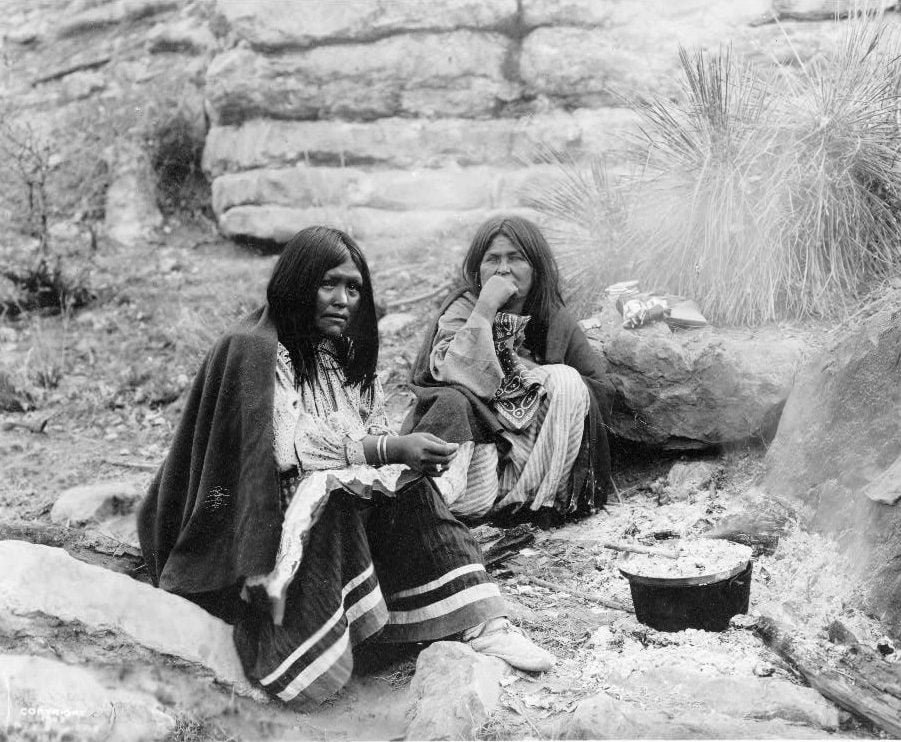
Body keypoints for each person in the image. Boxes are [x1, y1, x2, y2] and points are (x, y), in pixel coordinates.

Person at [137, 225, 554, 705]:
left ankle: (480, 620)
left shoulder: (338, 353)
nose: (342, 299)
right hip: (245, 528)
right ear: (296, 283)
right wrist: (388, 450)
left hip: (317, 500)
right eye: (328, 284)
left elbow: (366, 431)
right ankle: (318, 644)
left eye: (353, 288)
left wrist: (399, 458)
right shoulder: (253, 348)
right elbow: (289, 448)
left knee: (409, 488)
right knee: (333, 496)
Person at [403, 215, 613, 525]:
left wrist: (534, 375)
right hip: (477, 444)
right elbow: (452, 373)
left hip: (530, 455)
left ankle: (534, 502)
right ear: (478, 270)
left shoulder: (552, 319)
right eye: (493, 259)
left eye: (515, 258)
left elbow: (599, 389)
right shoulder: (462, 309)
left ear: (535, 269)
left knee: (567, 380)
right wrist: (485, 308)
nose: (503, 268)